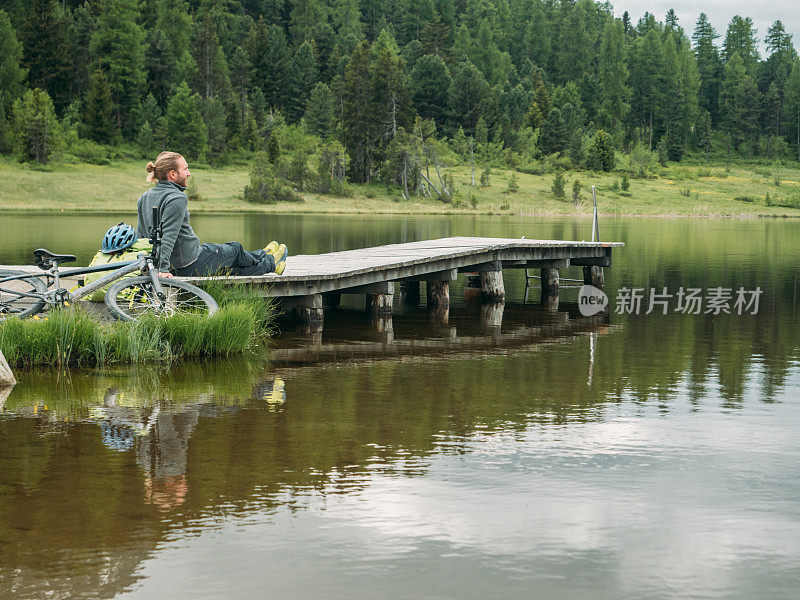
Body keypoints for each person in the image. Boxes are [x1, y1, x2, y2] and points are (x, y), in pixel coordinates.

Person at [136, 151, 287, 277]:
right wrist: (163, 269)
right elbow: (169, 236)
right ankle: (270, 260)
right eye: (185, 169)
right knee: (234, 249)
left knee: (230, 268)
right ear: (173, 174)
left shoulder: (144, 197)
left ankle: (267, 260)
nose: (188, 173)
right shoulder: (176, 198)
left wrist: (149, 266)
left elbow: (142, 237)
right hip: (187, 264)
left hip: (179, 261)